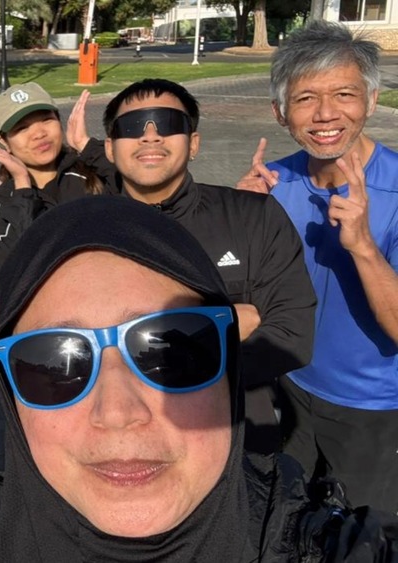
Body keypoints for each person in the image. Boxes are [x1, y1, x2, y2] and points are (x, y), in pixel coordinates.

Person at [0, 197, 398, 562]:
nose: (118, 412)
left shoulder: (336, 548)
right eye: (55, 362)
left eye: (169, 351)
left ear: (228, 372)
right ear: (10, 397)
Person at [98, 78, 316, 454]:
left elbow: (292, 336)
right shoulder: (82, 234)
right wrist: (222, 325)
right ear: (110, 148)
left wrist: (150, 359)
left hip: (238, 439)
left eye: (168, 123)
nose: (150, 136)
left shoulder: (254, 217)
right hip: (124, 441)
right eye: (132, 127)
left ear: (194, 143)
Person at [237, 21, 398, 513]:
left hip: (372, 409)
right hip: (289, 389)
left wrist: (364, 247)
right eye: (305, 98)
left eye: (344, 94)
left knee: (364, 538)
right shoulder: (272, 183)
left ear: (371, 101)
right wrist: (239, 220)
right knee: (285, 519)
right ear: (280, 112)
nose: (326, 114)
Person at [0, 83, 115, 270]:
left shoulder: (92, 171)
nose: (39, 134)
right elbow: (13, 264)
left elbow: (138, 190)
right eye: (22, 128)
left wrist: (85, 145)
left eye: (47, 119)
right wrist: (22, 185)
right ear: (4, 141)